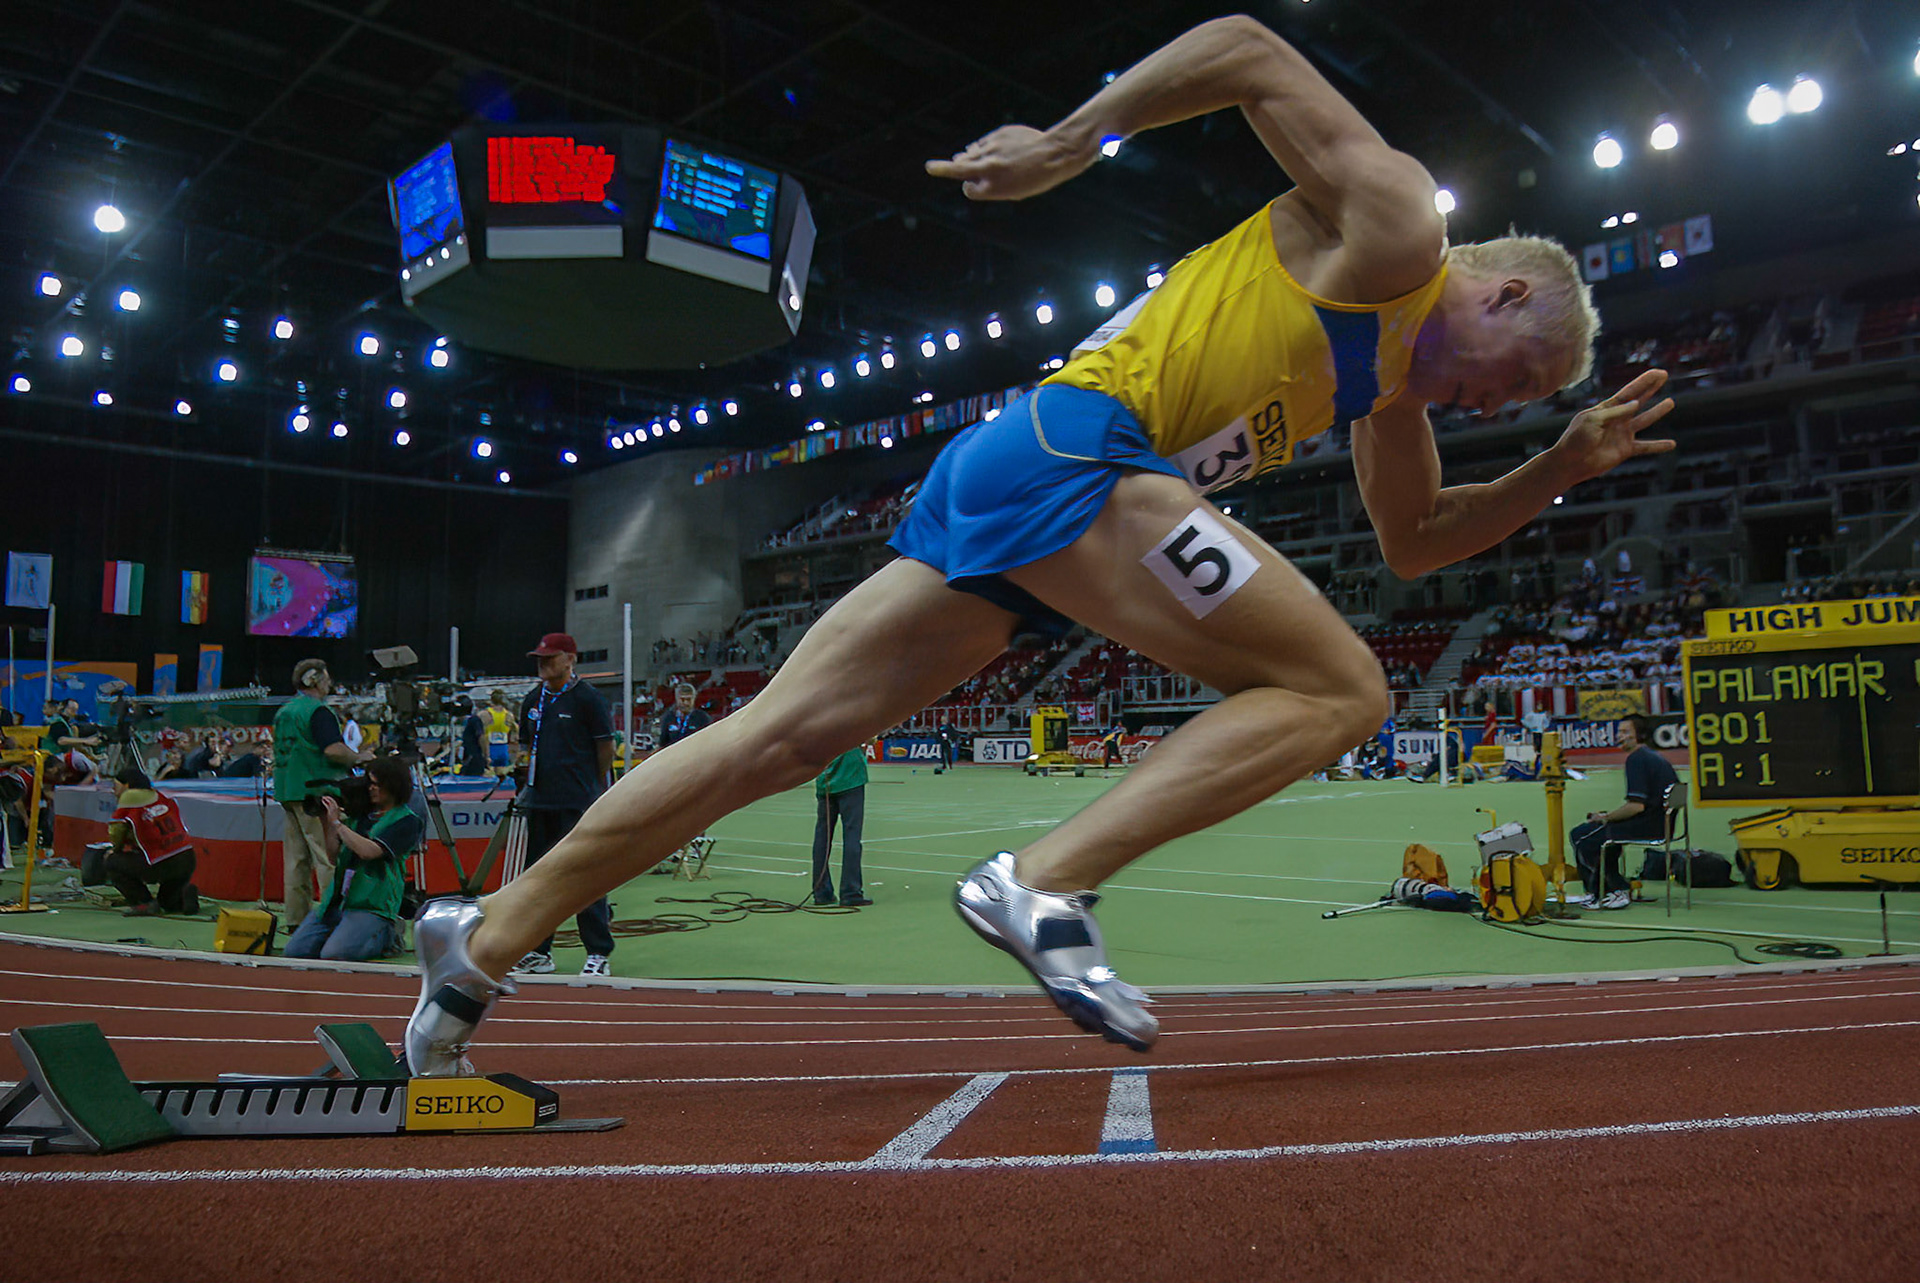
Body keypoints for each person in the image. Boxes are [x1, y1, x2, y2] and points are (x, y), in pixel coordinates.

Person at [405, 14, 1676, 1072]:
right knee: (1343, 686)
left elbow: (1416, 540)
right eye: (1522, 385)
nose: (1502, 408)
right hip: (1080, 450)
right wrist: (1076, 142)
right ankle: (1046, 877)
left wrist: (1556, 467)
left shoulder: (1390, 397)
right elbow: (1244, 45)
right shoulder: (1397, 228)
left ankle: (483, 944)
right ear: (1507, 293)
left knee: (776, 740)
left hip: (1026, 489)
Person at [508, 634, 617, 977]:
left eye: (551, 657)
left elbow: (606, 751)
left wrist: (589, 788)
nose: (543, 662)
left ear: (571, 659)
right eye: (539, 657)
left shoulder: (588, 699)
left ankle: (598, 952)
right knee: (540, 879)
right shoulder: (531, 700)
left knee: (584, 876)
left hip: (578, 802)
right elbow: (525, 747)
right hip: (539, 802)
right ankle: (539, 951)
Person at [284, 756, 420, 960]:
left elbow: (369, 851)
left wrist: (338, 824)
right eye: (369, 784)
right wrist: (326, 820)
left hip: (372, 904)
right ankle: (345, 933)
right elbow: (332, 857)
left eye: (376, 785)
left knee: (335, 954)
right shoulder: (361, 816)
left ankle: (388, 938)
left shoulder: (407, 821)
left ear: (393, 786)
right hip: (338, 901)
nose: (370, 789)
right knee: (295, 952)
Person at [271, 660, 370, 930]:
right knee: (327, 858)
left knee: (295, 861)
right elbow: (333, 750)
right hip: (316, 793)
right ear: (314, 680)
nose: (330, 683)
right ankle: (330, 920)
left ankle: (296, 921)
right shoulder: (318, 711)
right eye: (326, 679)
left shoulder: (284, 712)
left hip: (288, 791)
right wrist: (359, 758)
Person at [1569, 715, 1679, 910]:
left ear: (1640, 735)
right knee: (1602, 833)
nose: (1619, 736)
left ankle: (1605, 892)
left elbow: (1636, 807)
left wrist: (1605, 817)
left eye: (1625, 732)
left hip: (1648, 826)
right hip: (1660, 823)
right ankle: (1618, 885)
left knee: (1581, 836)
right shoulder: (1655, 757)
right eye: (1619, 731)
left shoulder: (1637, 759)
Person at [105, 767, 199, 918]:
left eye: (115, 787)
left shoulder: (129, 800)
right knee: (168, 905)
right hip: (187, 857)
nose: (114, 791)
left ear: (127, 786)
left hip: (162, 862)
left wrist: (115, 850)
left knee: (112, 861)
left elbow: (116, 833)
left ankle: (144, 903)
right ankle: (184, 895)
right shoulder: (160, 796)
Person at [810, 747, 870, 907]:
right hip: (851, 779)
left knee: (822, 838)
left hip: (826, 782)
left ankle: (821, 892)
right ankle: (851, 892)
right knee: (852, 837)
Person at [656, 683, 709, 749]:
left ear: (694, 699)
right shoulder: (668, 717)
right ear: (677, 699)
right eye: (682, 699)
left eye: (689, 699)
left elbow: (708, 742)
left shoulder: (703, 718)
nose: (686, 703)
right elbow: (662, 744)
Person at [483, 689, 517, 777]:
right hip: (502, 747)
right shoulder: (508, 715)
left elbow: (482, 734)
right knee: (500, 775)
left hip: (490, 747)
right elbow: (516, 729)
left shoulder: (485, 714)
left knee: (488, 775)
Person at [457, 696, 488, 777]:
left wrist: (486, 755)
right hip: (467, 756)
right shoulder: (460, 722)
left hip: (474, 757)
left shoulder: (474, 720)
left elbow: (481, 737)